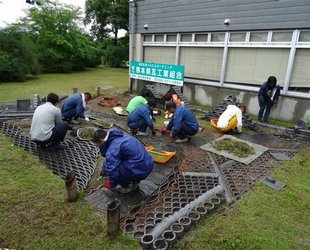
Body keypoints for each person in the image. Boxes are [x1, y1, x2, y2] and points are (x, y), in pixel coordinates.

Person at [93, 128, 154, 194]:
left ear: (101, 141)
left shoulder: (113, 148)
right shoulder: (122, 136)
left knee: (117, 170)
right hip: (147, 163)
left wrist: (111, 183)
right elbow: (111, 160)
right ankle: (135, 180)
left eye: (98, 145)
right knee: (121, 164)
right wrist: (105, 169)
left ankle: (127, 186)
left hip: (141, 169)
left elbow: (112, 169)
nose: (98, 147)